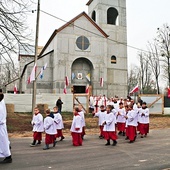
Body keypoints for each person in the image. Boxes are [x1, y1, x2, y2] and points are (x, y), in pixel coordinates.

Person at [0, 92, 12, 163]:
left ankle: (8, 156)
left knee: (3, 142)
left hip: (1, 126)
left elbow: (1, 119)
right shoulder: (1, 102)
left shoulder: (0, 106)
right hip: (1, 126)